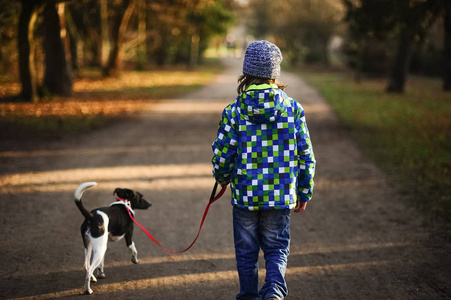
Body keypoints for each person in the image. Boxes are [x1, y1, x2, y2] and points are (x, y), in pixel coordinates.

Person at [211, 40, 316, 300]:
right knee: (277, 247)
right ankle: (274, 293)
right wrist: (303, 191)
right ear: (274, 73)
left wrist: (222, 178)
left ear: (247, 73)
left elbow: (224, 154)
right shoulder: (293, 110)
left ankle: (249, 295)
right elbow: (306, 155)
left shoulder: (234, 111)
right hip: (279, 195)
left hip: (245, 196)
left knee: (246, 252)